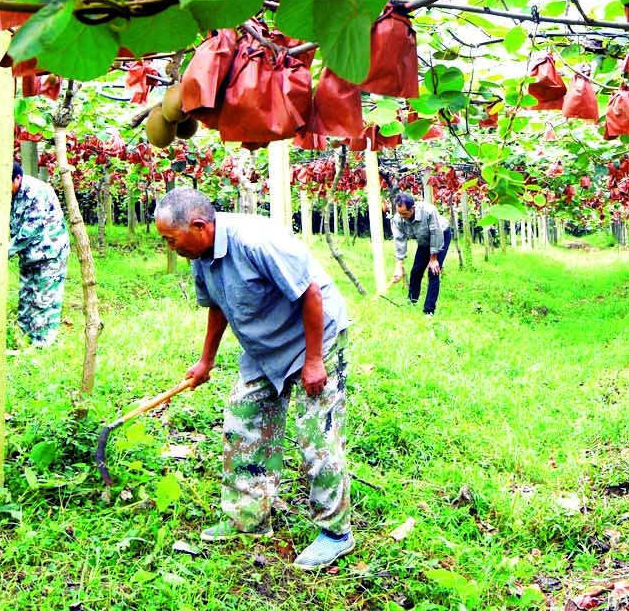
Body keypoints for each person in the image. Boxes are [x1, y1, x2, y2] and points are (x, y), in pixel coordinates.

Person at [152, 185, 355, 571]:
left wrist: (313, 361)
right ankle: (247, 517)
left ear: (199, 226)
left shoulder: (258, 241)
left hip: (315, 337)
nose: (170, 248)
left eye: (171, 239)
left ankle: (336, 533)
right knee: (243, 418)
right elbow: (219, 305)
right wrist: (205, 361)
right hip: (265, 347)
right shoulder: (198, 252)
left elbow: (310, 294)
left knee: (315, 433)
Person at [8, 159, 68, 348]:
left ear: (18, 178)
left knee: (45, 299)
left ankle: (43, 344)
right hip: (29, 255)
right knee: (27, 298)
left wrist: (4, 252)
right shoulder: (11, 194)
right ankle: (25, 338)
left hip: (50, 254)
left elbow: (31, 228)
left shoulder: (36, 192)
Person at [391, 190, 451, 314]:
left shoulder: (429, 211)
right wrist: (399, 266)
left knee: (433, 271)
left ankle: (429, 310)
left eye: (405, 213)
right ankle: (411, 301)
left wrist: (433, 259)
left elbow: (436, 232)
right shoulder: (398, 219)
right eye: (399, 213)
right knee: (416, 271)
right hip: (424, 240)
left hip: (441, 236)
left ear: (412, 208)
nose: (402, 216)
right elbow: (399, 240)